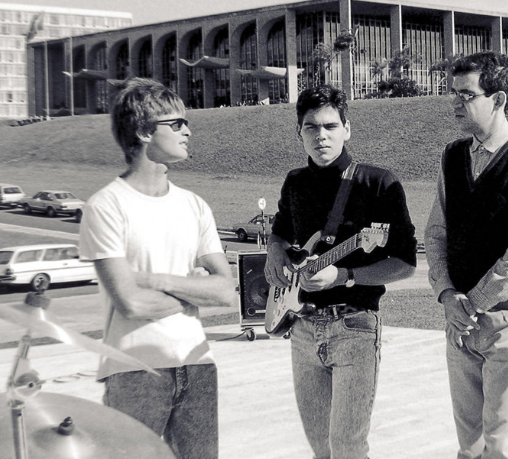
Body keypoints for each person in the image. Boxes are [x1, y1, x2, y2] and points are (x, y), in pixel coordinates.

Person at [80, 78, 236, 459]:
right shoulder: (105, 207)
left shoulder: (195, 205)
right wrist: (192, 288)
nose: (188, 130)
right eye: (177, 123)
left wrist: (155, 281)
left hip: (197, 364)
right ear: (144, 131)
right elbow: (131, 304)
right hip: (134, 370)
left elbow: (226, 292)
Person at [264, 85, 417, 459]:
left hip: (354, 328)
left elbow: (405, 263)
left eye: (331, 126)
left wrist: (345, 275)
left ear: (347, 128)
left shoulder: (377, 183)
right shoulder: (295, 182)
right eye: (311, 128)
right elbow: (282, 231)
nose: (321, 136)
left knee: (347, 448)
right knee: (321, 449)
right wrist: (273, 252)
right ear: (299, 133)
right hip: (301, 328)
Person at [425, 51, 508, 459]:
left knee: (502, 447)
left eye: (466, 94)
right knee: (468, 446)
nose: (455, 103)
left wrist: (470, 303)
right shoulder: (452, 156)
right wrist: (446, 294)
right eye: (453, 93)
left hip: (507, 320)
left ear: (499, 99)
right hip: (458, 323)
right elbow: (436, 231)